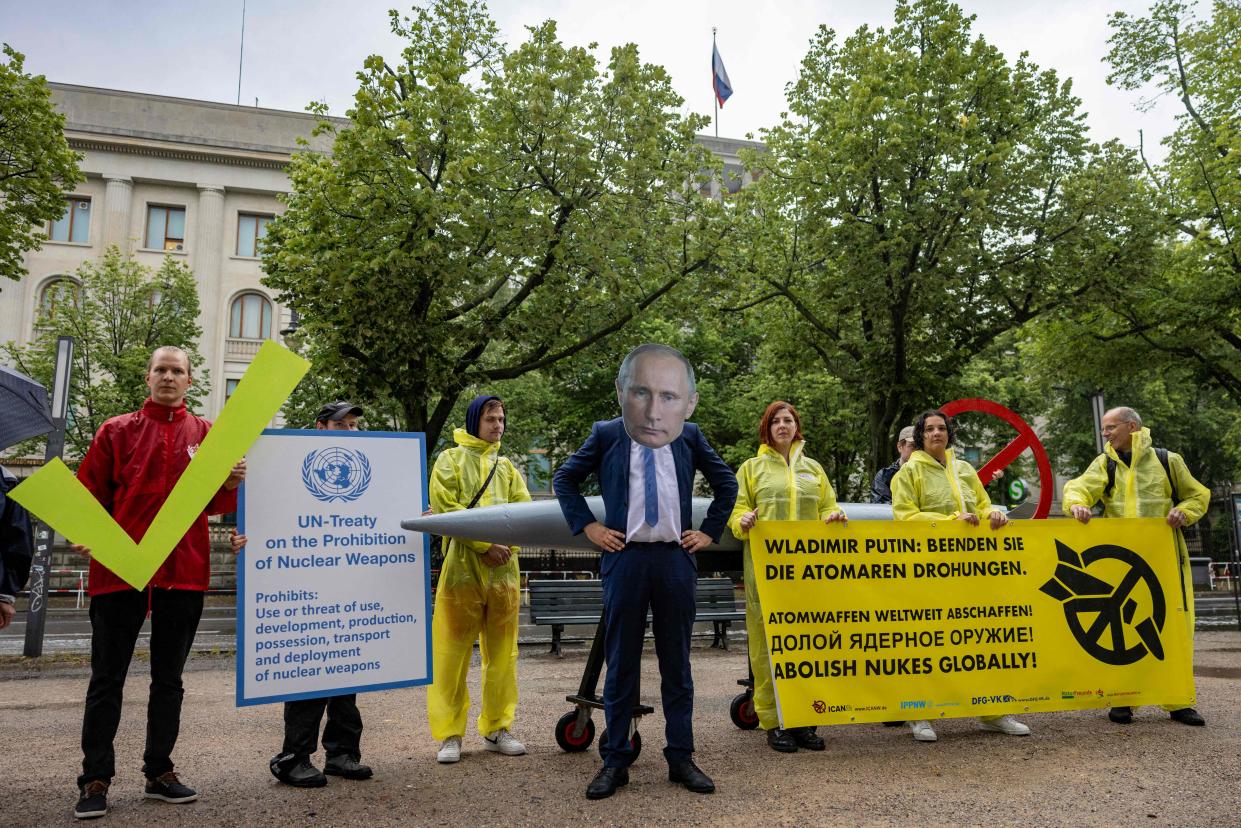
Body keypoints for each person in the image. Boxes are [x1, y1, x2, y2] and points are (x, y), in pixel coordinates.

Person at [553, 343, 738, 800]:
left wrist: (709, 533)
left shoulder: (689, 436)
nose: (655, 409)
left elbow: (727, 483)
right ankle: (615, 760)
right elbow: (564, 479)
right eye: (641, 393)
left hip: (675, 560)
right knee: (621, 665)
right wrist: (590, 527)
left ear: (686, 402)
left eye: (668, 396)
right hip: (626, 558)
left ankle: (681, 757)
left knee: (678, 663)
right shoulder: (607, 434)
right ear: (623, 393)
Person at [71, 346, 245, 820]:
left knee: (169, 680)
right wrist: (86, 534)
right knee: (107, 678)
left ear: (190, 381)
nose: (168, 377)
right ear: (148, 378)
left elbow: (212, 507)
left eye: (177, 371)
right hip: (118, 570)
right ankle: (95, 778)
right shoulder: (116, 430)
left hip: (182, 571)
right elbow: (89, 494)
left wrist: (229, 483)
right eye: (161, 370)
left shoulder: (207, 435)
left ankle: (159, 771)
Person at [1062, 406, 1211, 727]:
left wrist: (1184, 512)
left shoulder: (1167, 460)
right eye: (1104, 429)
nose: (1105, 434)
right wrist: (1076, 504)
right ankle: (1123, 700)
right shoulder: (1105, 463)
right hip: (1123, 562)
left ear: (1131, 426)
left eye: (1110, 427)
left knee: (1173, 628)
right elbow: (1079, 487)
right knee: (1123, 628)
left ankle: (1178, 701)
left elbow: (1197, 495)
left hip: (1165, 560)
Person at [889, 409, 1030, 743]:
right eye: (930, 429)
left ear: (949, 434)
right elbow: (905, 517)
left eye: (942, 428)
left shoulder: (965, 469)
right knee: (925, 642)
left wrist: (993, 513)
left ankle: (992, 711)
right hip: (928, 570)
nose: (937, 433)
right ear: (920, 437)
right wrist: (950, 520)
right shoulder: (907, 474)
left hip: (972, 569)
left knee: (982, 639)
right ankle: (919, 713)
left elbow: (981, 505)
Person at [259, 401, 375, 786]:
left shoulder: (372, 471)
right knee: (310, 675)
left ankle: (342, 754)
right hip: (307, 594)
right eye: (343, 425)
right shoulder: (290, 463)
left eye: (355, 426)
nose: (351, 432)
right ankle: (293, 757)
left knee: (347, 675)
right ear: (320, 426)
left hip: (348, 587)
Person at [728, 401, 847, 753]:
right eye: (777, 421)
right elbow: (735, 511)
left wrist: (834, 515)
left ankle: (805, 721)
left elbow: (828, 505)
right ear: (767, 428)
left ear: (797, 427)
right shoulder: (751, 469)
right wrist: (742, 522)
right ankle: (774, 721)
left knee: (810, 646)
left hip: (808, 576)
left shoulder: (814, 469)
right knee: (768, 648)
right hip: (766, 577)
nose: (783, 425)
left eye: (789, 420)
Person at [428, 395, 532, 764]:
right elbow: (444, 507)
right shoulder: (449, 460)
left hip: (504, 574)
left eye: (502, 419)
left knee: (503, 656)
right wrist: (485, 544)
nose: (498, 425)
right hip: (461, 571)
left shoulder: (506, 467)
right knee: (451, 654)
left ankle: (497, 727)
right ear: (475, 421)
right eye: (491, 418)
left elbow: (526, 512)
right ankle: (450, 734)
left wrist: (508, 548)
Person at [0, 463, 34, 630]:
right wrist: (5, 595)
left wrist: (5, 595)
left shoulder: (6, 482)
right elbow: (17, 544)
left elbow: (16, 544)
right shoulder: (5, 481)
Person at [870, 426, 916, 504]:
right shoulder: (885, 476)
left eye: (921, 447)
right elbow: (881, 508)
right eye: (913, 446)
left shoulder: (929, 473)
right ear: (900, 447)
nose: (918, 451)